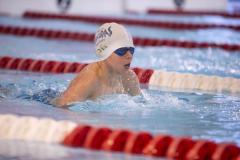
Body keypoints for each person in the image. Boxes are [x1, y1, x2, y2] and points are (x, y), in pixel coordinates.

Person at [52, 22, 141, 107]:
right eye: (122, 51)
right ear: (104, 51)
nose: (129, 56)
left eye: (131, 50)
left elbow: (141, 104)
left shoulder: (130, 78)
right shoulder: (90, 79)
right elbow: (62, 107)